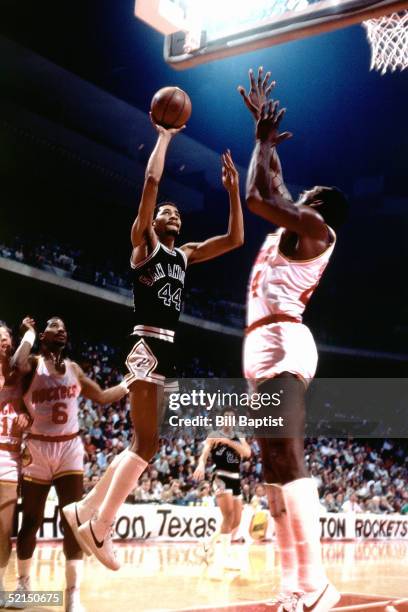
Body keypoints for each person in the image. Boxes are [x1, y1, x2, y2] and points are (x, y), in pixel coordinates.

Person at [64, 115, 244, 570]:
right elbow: (149, 181)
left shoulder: (184, 255)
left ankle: (85, 509)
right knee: (147, 444)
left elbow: (236, 239)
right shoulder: (144, 246)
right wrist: (164, 138)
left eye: (177, 213)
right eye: (167, 210)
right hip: (146, 341)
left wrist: (233, 192)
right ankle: (100, 527)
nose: (173, 213)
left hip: (162, 346)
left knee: (146, 443)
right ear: (154, 221)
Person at [238, 67, 348, 611]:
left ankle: (318, 583)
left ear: (319, 206)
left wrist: (261, 139)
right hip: (259, 344)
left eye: (305, 196)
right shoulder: (296, 221)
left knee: (287, 453)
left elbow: (259, 195)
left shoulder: (316, 229)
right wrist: (264, 127)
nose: (295, 193)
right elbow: (273, 186)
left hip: (284, 339)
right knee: (272, 467)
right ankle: (292, 589)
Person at [12, 317, 129, 612]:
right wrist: (29, 333)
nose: (61, 329)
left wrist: (130, 382)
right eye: (54, 326)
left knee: (73, 523)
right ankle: (24, 585)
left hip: (69, 449)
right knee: (31, 521)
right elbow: (16, 362)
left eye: (64, 327)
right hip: (37, 447)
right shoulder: (32, 364)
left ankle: (72, 594)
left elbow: (102, 396)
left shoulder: (74, 369)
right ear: (43, 336)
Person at [0, 319, 33, 606]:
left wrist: (27, 331)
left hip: (9, 458)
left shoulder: (19, 374)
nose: (3, 341)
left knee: (3, 527)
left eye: (6, 338)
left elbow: (28, 345)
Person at [193, 408, 251, 568]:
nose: (229, 420)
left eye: (232, 418)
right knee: (228, 515)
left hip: (235, 478)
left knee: (236, 521)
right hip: (220, 476)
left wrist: (229, 442)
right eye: (226, 417)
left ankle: (206, 544)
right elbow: (204, 454)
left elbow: (247, 453)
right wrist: (201, 464)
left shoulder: (239, 435)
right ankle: (225, 557)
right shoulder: (213, 435)